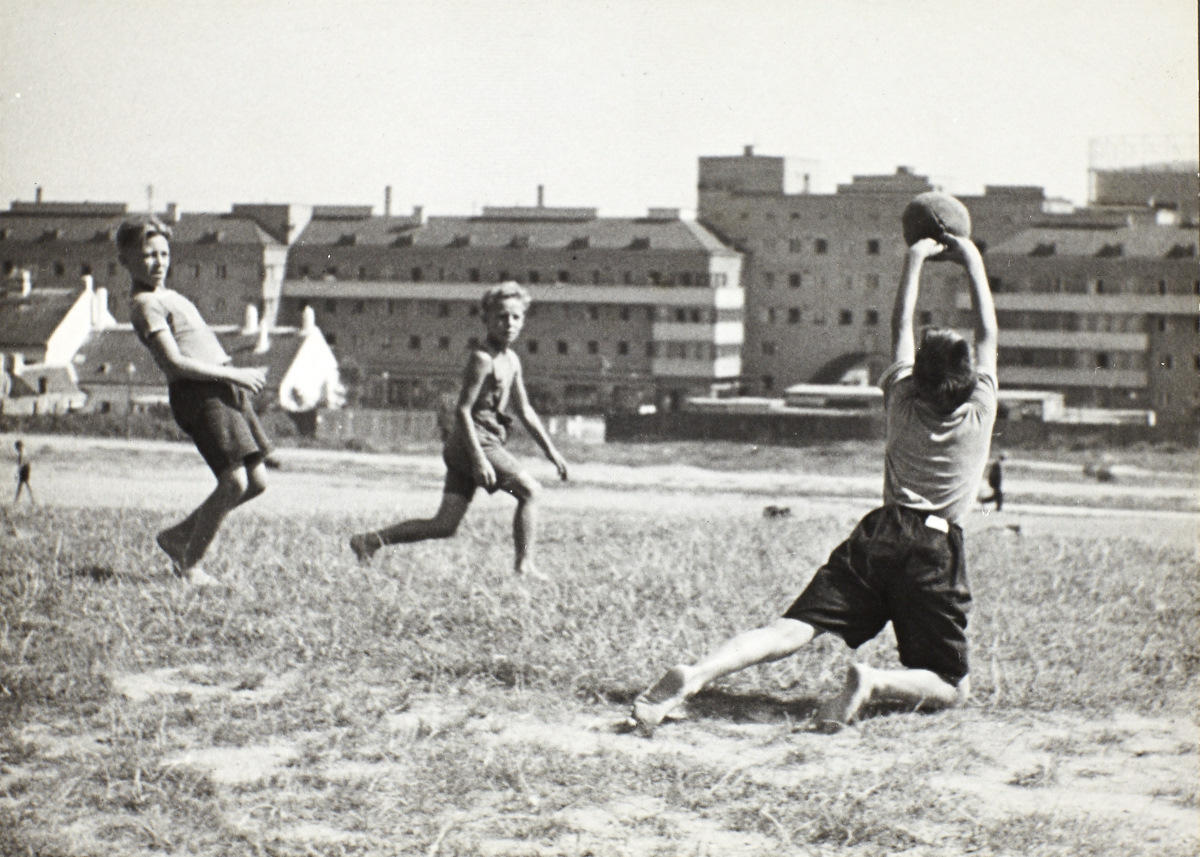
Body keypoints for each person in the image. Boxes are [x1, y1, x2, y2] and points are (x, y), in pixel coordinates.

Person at [631, 233, 998, 736]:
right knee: (952, 686)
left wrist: (914, 257)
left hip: (880, 533)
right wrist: (972, 259)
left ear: (917, 377)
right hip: (934, 545)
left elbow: (899, 327)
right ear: (968, 377)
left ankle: (696, 675)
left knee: (791, 628)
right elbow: (988, 334)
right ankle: (871, 682)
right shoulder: (979, 410)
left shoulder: (900, 399)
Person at [349, 282, 569, 577]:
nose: (509, 324)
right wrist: (478, 459)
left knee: (444, 525)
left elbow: (525, 409)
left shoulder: (512, 360)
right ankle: (524, 566)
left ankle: (368, 541)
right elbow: (463, 410)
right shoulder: (482, 359)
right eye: (502, 317)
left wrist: (552, 452)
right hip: (473, 444)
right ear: (487, 320)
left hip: (472, 445)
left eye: (516, 317)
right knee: (530, 491)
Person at [117, 216, 271, 587]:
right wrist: (234, 375)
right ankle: (191, 564)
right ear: (125, 260)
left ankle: (176, 537)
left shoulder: (171, 296)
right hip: (200, 394)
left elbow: (197, 345)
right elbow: (174, 363)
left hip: (222, 386)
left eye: (164, 253)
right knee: (233, 481)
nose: (159, 262)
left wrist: (237, 355)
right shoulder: (144, 305)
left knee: (257, 481)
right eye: (148, 255)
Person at [13, 440, 34, 504]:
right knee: (25, 484)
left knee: (21, 485)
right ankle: (32, 499)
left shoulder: (21, 455)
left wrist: (17, 473)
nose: (16, 450)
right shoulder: (25, 453)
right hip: (27, 469)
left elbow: (20, 464)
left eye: (17, 448)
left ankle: (16, 500)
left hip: (24, 470)